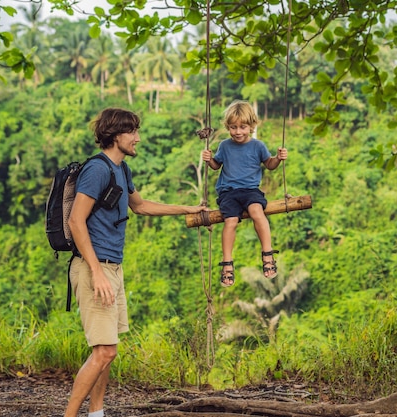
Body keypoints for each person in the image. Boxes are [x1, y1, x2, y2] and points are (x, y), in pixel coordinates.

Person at [65, 108, 206, 417]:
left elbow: (140, 206)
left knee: (106, 351)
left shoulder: (121, 169)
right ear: (116, 135)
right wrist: (97, 272)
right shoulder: (98, 170)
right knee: (105, 351)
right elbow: (77, 221)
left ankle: (96, 412)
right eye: (133, 133)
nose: (138, 138)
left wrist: (187, 209)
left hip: (112, 267)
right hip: (95, 268)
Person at [201, 100, 288, 287]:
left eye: (242, 127)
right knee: (230, 221)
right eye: (233, 127)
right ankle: (227, 264)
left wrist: (278, 158)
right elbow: (216, 166)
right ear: (227, 127)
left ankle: (267, 254)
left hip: (250, 191)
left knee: (257, 212)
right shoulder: (224, 146)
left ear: (251, 126)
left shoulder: (258, 146)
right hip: (229, 192)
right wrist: (209, 160)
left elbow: (270, 165)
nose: (238, 132)